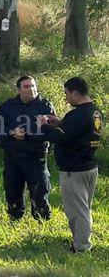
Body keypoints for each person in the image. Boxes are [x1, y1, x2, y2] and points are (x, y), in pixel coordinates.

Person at [37, 77, 102, 252]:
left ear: (75, 92)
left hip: (74, 169)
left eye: (66, 93)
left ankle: (81, 247)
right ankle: (80, 241)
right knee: (84, 208)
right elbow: (77, 131)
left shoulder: (78, 114)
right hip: (89, 166)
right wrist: (60, 123)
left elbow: (60, 137)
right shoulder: (95, 112)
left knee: (76, 210)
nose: (66, 98)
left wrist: (43, 126)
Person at [0, 76, 56, 221]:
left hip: (36, 156)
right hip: (12, 156)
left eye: (33, 86)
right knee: (12, 190)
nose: (31, 89)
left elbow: (49, 130)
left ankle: (42, 220)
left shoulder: (45, 106)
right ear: (19, 90)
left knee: (40, 191)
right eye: (26, 87)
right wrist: (11, 132)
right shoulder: (8, 106)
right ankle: (15, 218)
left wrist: (26, 133)